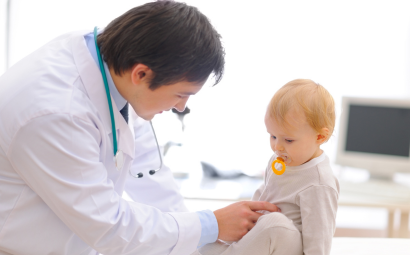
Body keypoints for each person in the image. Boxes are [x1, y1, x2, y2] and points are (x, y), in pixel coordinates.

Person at [0, 1, 279, 254]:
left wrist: (197, 238)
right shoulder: (56, 112)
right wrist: (210, 225)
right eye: (181, 94)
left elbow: (146, 170)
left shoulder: (112, 64)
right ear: (141, 74)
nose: (181, 108)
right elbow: (109, 226)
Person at [194, 79, 340, 255]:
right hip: (265, 237)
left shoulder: (319, 183)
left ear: (320, 137)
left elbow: (320, 237)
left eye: (288, 140)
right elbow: (265, 195)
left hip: (286, 243)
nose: (277, 146)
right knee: (204, 246)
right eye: (273, 136)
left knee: (274, 224)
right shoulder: (280, 159)